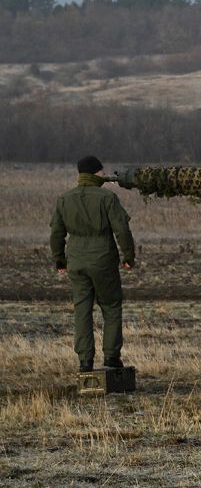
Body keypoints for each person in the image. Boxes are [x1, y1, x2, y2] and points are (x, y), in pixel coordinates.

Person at [50, 155, 135, 372]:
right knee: (111, 306)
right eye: (101, 171)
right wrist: (128, 257)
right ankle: (111, 358)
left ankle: (85, 361)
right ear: (96, 173)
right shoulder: (107, 197)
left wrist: (59, 259)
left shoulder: (64, 199)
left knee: (82, 309)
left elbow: (57, 233)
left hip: (76, 261)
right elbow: (122, 230)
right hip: (103, 259)